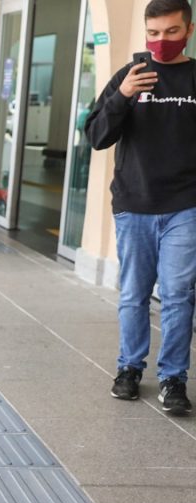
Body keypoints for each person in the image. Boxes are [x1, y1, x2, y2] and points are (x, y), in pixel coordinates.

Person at [85, 0, 195, 415]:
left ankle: (173, 378)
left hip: (186, 206)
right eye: (153, 33)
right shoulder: (128, 77)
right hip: (135, 205)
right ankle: (129, 369)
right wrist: (124, 96)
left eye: (170, 32)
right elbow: (96, 137)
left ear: (188, 29)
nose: (161, 42)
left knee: (178, 295)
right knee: (133, 295)